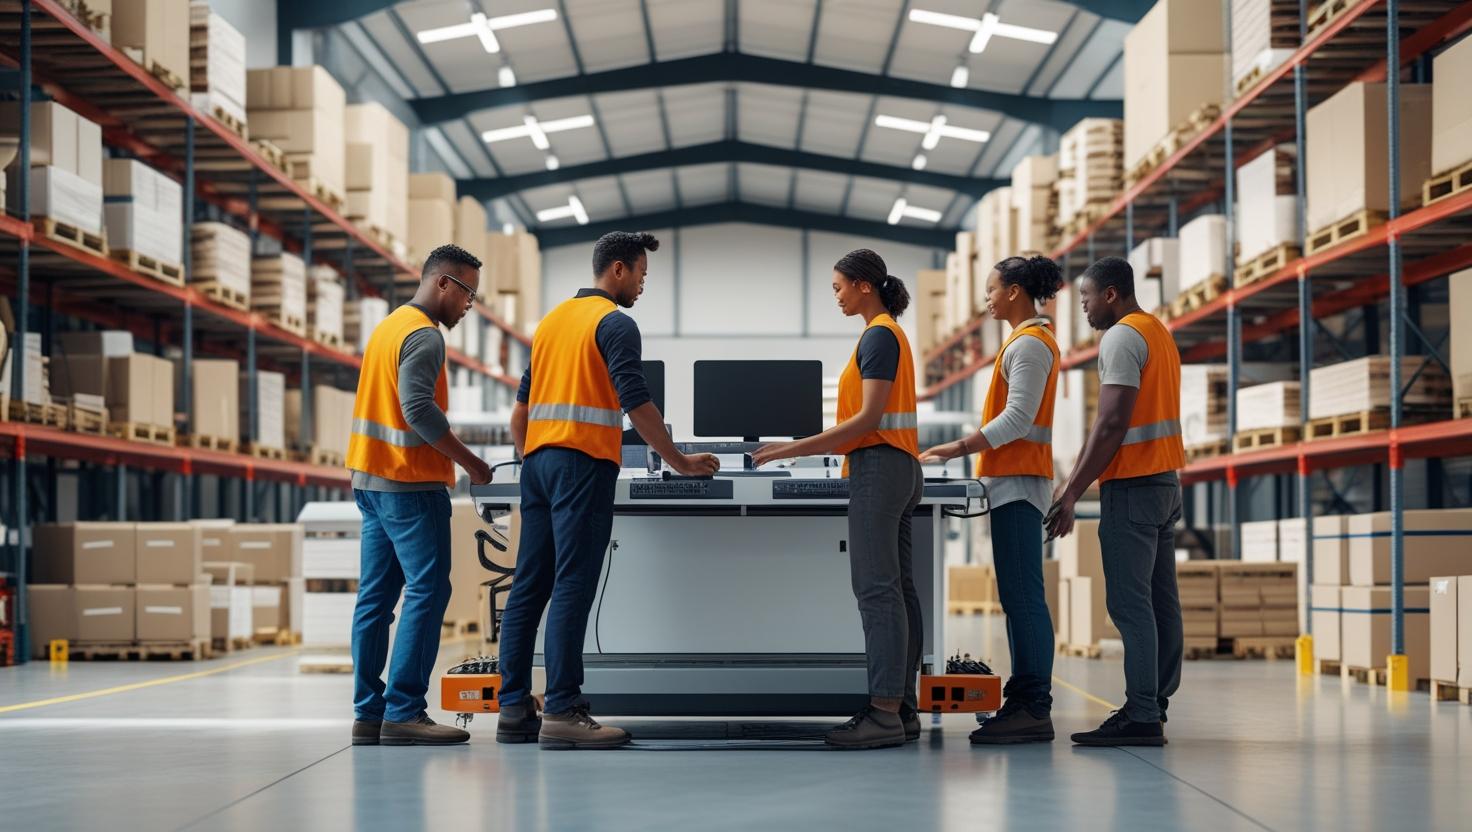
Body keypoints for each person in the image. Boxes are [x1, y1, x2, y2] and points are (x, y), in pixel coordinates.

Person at [496, 231, 720, 750]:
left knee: (530, 586)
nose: (642, 286)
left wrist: (533, 459)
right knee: (573, 584)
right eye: (641, 275)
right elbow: (636, 401)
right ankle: (563, 710)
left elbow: (521, 412)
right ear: (618, 270)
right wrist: (680, 461)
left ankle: (513, 708)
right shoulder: (615, 323)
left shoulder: (552, 322)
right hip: (582, 466)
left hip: (540, 465)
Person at [752, 249, 923, 750]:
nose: (837, 295)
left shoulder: (878, 336)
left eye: (838, 287)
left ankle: (883, 713)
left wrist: (792, 448)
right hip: (901, 467)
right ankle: (903, 709)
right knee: (899, 593)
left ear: (864, 285)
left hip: (880, 467)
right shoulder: (888, 335)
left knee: (877, 593)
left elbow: (867, 421)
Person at [346, 244, 495, 747]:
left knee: (375, 601)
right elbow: (418, 410)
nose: (469, 305)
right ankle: (405, 712)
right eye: (468, 293)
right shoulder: (425, 337)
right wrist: (472, 463)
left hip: (370, 482)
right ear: (443, 284)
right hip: (410, 484)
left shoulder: (390, 326)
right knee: (428, 592)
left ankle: (369, 714)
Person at [920, 255, 1062, 745]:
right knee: (1018, 598)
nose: (987, 298)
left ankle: (1032, 706)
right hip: (1012, 482)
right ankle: (1024, 700)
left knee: (1024, 600)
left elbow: (1018, 419)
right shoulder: (1023, 342)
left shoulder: (1030, 345)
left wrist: (958, 448)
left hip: (1021, 485)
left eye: (992, 289)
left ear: (1015, 292)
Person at [1045, 256, 1186, 748]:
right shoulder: (1158, 332)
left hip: (1133, 486)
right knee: (1161, 604)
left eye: (1085, 297)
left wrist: (1071, 494)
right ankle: (1155, 702)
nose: (1082, 306)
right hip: (1165, 483)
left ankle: (1142, 713)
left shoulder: (1122, 337)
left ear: (1110, 294)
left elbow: (1110, 424)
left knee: (1130, 605)